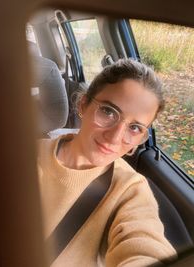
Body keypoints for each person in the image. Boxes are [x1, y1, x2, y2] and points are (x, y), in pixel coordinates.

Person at [37, 58, 177, 267]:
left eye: (135, 128)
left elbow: (145, 244)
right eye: (108, 111)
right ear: (83, 105)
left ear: (138, 141)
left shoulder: (130, 191)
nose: (114, 138)